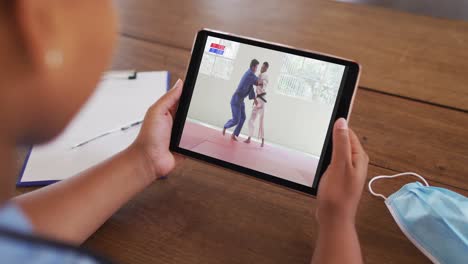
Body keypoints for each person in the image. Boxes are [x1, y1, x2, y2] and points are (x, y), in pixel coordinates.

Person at [0, 2, 369, 264]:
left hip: (248, 106)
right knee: (238, 123)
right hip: (245, 103)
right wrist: (337, 220)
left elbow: (11, 235)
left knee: (241, 125)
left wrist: (144, 160)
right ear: (38, 23)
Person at [222, 59, 261, 141]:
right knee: (236, 120)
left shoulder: (251, 76)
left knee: (243, 117)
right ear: (253, 67)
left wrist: (254, 99)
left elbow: (251, 88)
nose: (257, 69)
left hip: (241, 100)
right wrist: (262, 75)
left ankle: (234, 134)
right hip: (236, 99)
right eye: (256, 67)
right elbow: (258, 83)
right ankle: (225, 126)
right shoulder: (249, 74)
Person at [244, 61, 269, 147]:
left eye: (263, 68)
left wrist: (258, 81)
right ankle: (249, 138)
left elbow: (264, 83)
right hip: (257, 99)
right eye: (261, 67)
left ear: (266, 68)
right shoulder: (259, 75)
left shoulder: (266, 75)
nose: (262, 68)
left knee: (261, 120)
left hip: (262, 100)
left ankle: (262, 140)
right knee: (251, 119)